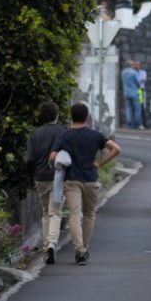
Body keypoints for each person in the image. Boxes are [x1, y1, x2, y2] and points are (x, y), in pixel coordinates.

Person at [51, 103, 121, 265]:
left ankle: (79, 250)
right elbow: (116, 149)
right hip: (90, 178)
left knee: (75, 215)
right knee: (89, 214)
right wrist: (100, 164)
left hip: (72, 180)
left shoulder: (66, 135)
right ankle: (84, 248)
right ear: (87, 117)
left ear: (71, 116)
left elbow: (53, 156)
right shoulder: (95, 135)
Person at [25, 102, 66, 265]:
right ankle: (51, 243)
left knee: (45, 212)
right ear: (56, 115)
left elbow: (30, 159)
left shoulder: (35, 134)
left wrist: (30, 178)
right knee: (55, 211)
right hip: (58, 176)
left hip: (40, 177)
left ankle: (45, 245)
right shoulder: (63, 132)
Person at [122, 59, 142, 129]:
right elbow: (138, 83)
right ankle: (138, 125)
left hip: (126, 93)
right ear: (131, 65)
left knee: (128, 109)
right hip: (134, 92)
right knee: (137, 109)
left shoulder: (123, 72)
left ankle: (129, 125)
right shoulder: (134, 72)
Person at [134, 60, 148, 128]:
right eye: (135, 65)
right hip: (135, 90)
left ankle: (144, 124)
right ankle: (136, 124)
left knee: (142, 107)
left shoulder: (143, 72)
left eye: (138, 64)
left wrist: (137, 79)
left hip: (141, 90)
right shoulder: (132, 72)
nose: (137, 66)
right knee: (135, 107)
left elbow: (144, 79)